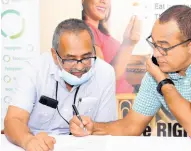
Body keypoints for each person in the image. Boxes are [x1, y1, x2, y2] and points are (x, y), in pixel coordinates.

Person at [69, 5, 191, 139]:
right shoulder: (159, 66)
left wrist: (164, 82)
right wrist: (95, 127)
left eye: (164, 47)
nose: (156, 53)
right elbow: (132, 126)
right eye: (154, 44)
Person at [4, 18, 117, 151]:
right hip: (36, 143)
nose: (79, 66)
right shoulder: (34, 70)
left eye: (86, 57)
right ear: (54, 55)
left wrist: (92, 127)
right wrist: (28, 141)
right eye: (70, 59)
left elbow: (106, 128)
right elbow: (14, 119)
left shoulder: (105, 72)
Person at [82, 0, 141, 93]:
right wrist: (128, 44)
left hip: (129, 92)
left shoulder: (99, 31)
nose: (103, 1)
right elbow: (104, 78)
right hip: (122, 101)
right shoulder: (86, 32)